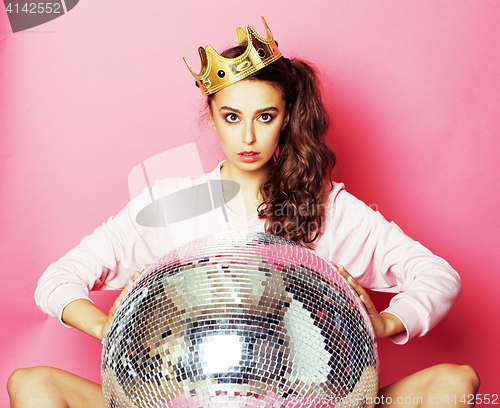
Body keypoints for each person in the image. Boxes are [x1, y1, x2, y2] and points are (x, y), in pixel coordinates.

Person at [7, 17, 479, 408]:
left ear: (287, 117)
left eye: (265, 117)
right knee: (32, 384)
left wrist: (382, 323)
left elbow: (437, 276)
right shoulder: (173, 204)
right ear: (211, 116)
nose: (248, 138)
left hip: (307, 400)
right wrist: (108, 326)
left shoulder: (325, 208)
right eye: (232, 117)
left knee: (454, 382)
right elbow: (57, 280)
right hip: (181, 400)